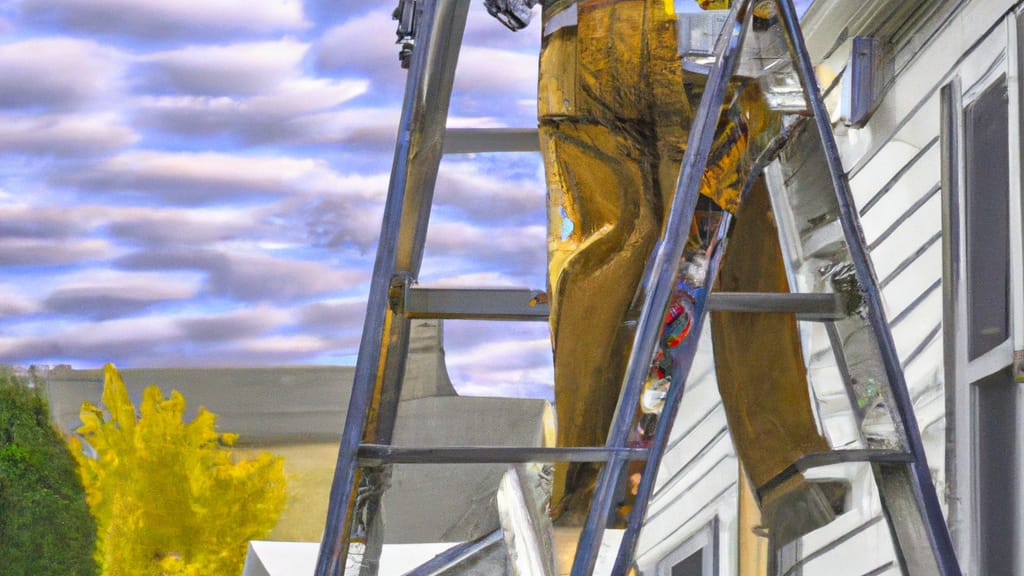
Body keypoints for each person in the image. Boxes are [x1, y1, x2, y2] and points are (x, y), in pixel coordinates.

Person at [488, 0, 837, 536]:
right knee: (734, 250)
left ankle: (586, 493)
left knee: (602, 262)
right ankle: (785, 469)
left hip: (594, 53)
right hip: (702, 51)